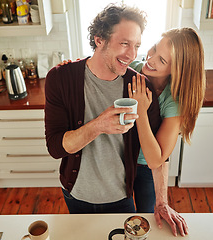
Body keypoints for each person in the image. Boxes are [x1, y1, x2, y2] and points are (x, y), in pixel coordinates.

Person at [44, 4, 161, 214]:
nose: (132, 54)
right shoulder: (60, 78)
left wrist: (161, 201)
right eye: (125, 43)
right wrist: (98, 125)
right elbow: (55, 147)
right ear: (99, 40)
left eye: (136, 46)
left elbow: (155, 155)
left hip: (121, 196)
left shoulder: (141, 88)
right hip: (75, 192)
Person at [128, 27, 206, 235]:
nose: (150, 59)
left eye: (161, 60)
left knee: (147, 222)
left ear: (177, 70)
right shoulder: (135, 68)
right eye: (153, 49)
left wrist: (141, 110)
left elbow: (156, 160)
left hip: (145, 168)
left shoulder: (174, 100)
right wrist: (69, 69)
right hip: (120, 160)